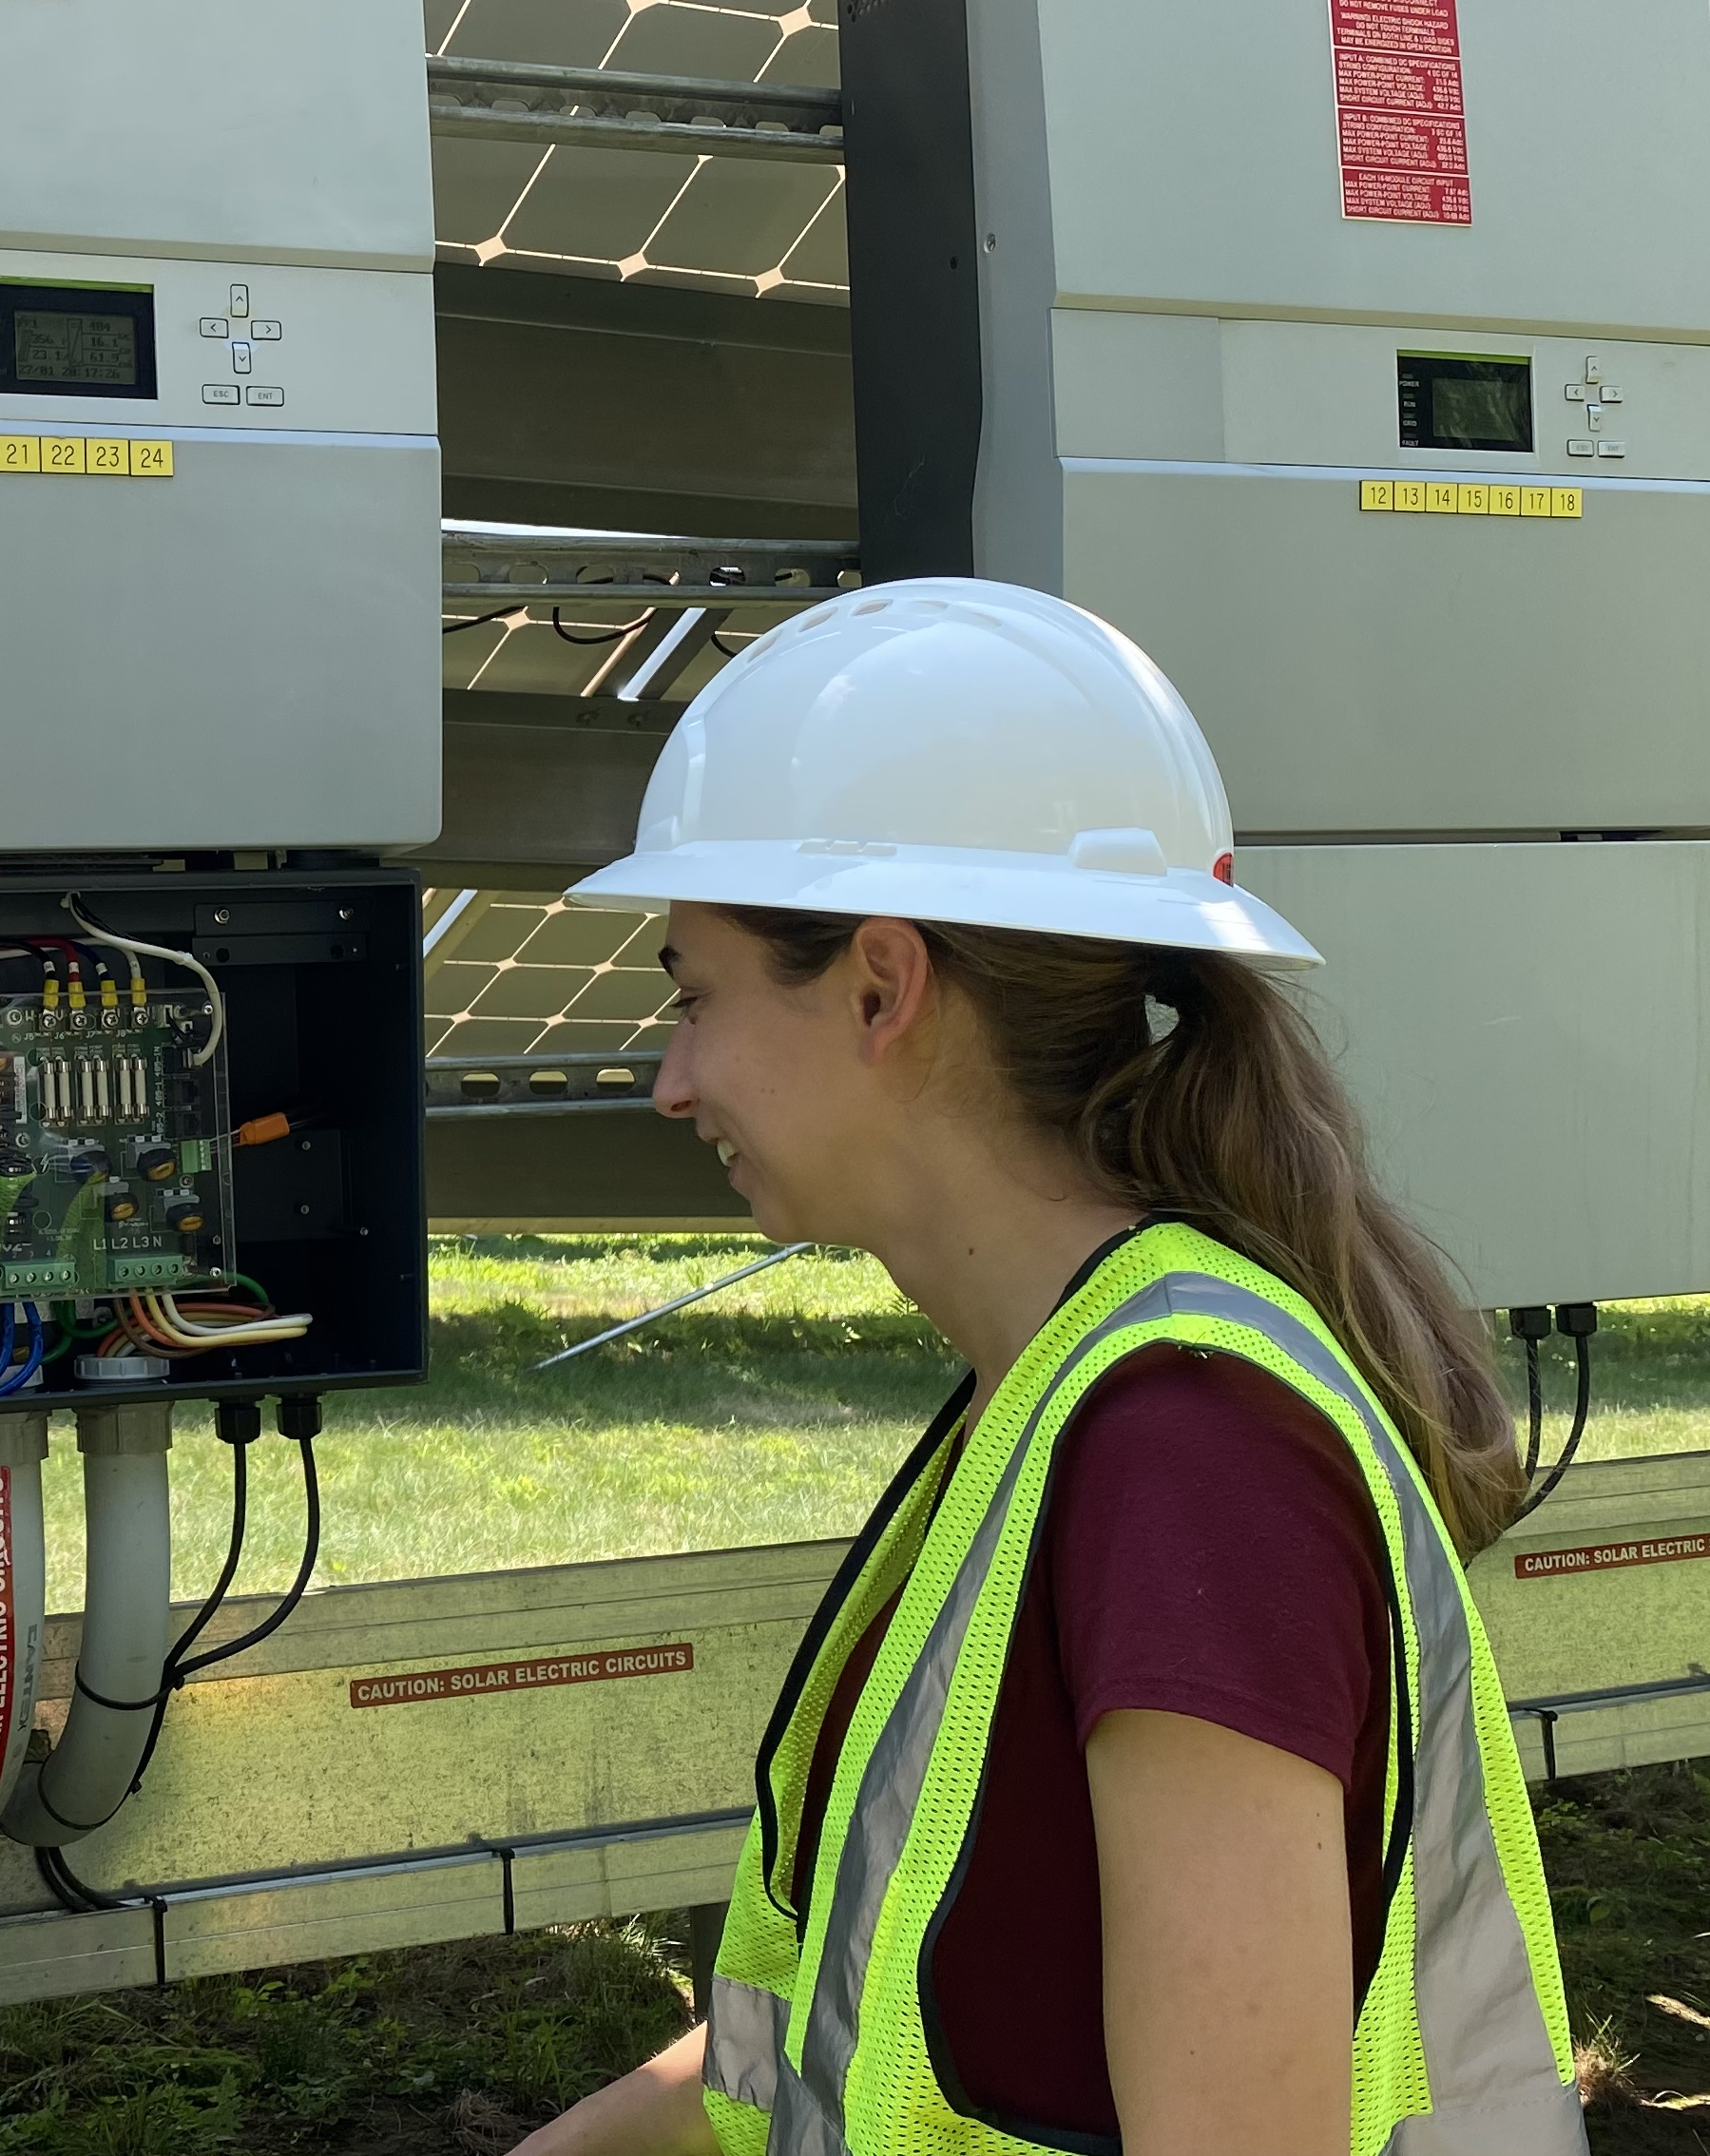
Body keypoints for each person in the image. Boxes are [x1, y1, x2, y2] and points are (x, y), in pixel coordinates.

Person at [511, 581, 1576, 2156]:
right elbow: (850, 2038)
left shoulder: (1191, 1462)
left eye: (696, 993)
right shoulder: (1074, 1403)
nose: (672, 1080)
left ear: (882, 985)